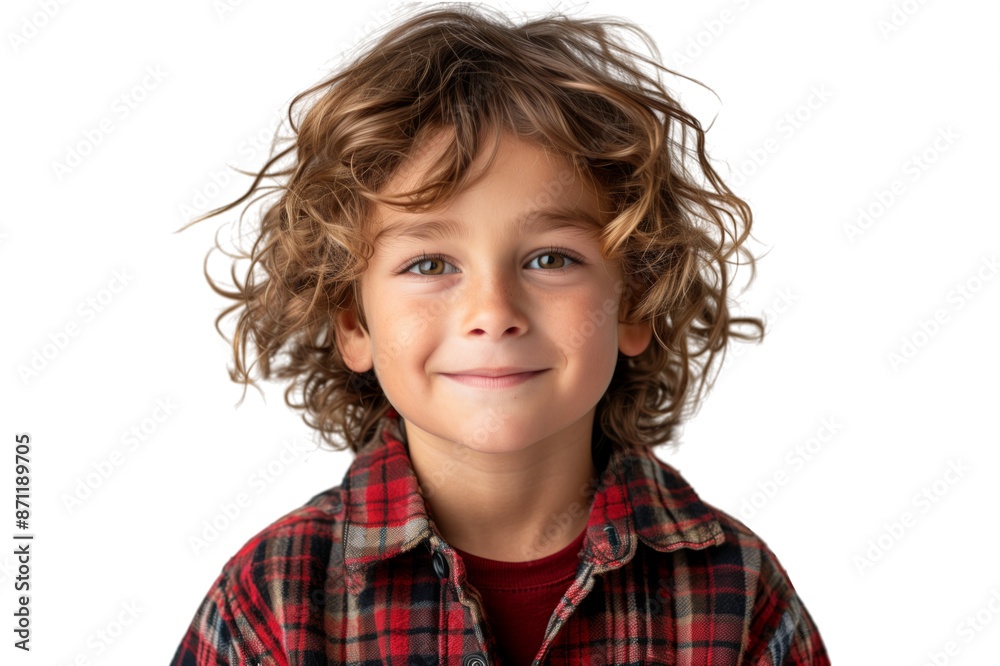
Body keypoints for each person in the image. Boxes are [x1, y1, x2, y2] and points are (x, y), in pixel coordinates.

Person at [170, 3, 829, 664]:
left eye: (550, 259)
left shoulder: (738, 593)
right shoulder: (273, 601)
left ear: (635, 302)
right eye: (430, 265)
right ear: (353, 322)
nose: (493, 311)